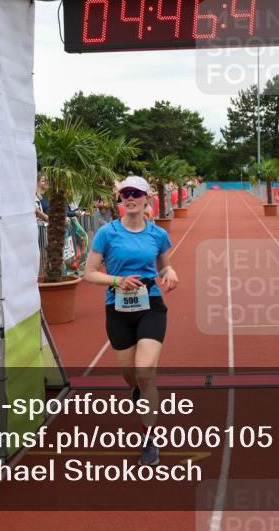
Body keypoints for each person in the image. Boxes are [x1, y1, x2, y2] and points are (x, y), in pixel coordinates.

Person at [83, 176, 179, 467]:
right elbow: (89, 273)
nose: (130, 198)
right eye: (125, 193)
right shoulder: (106, 233)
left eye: (136, 193)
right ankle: (138, 387)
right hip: (118, 311)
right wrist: (116, 280)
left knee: (146, 371)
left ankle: (149, 439)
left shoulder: (157, 234)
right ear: (120, 200)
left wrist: (170, 273)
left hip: (151, 306)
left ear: (147, 199)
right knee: (131, 376)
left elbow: (165, 265)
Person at [35, 175, 49, 278]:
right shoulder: (32, 194)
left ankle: (43, 274)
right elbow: (35, 209)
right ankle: (40, 275)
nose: (46, 183)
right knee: (40, 253)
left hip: (43, 227)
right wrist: (44, 216)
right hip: (37, 227)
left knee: (44, 252)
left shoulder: (43, 197)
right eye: (43, 180)